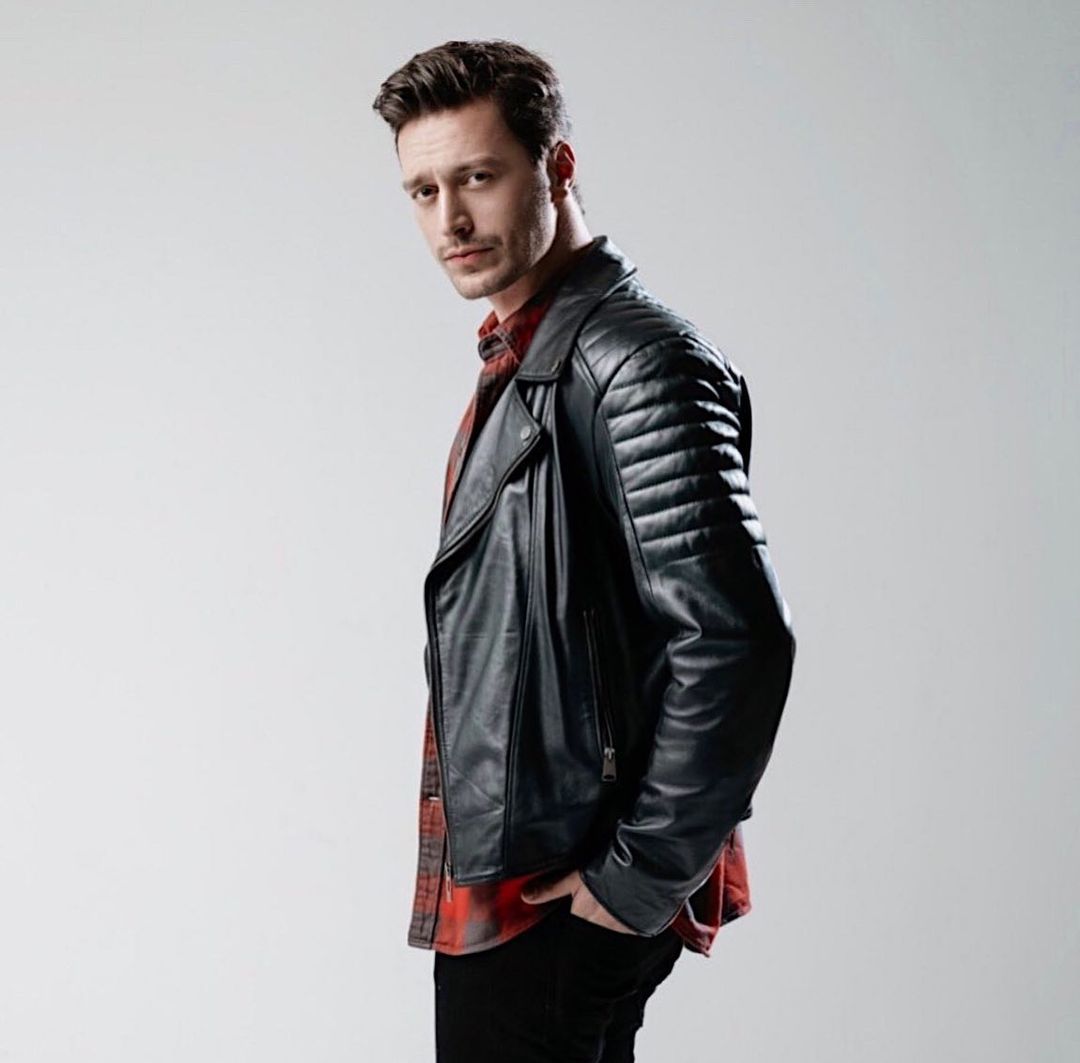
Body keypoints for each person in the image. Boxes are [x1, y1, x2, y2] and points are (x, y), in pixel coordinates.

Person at [372, 38, 796, 1063]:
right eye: (424, 190)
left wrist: (633, 880)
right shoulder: (532, 358)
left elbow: (736, 643)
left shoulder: (633, 362)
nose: (449, 220)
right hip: (517, 879)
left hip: (564, 889)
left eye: (478, 177)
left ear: (557, 167)